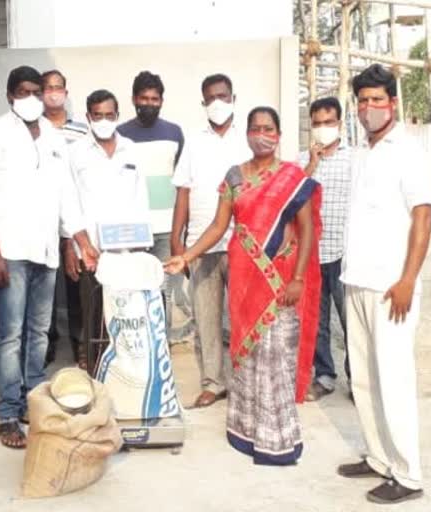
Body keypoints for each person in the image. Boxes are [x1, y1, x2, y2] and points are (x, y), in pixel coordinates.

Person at [166, 107, 321, 466]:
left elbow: (307, 229)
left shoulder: (291, 176)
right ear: (247, 134)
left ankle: (277, 439)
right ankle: (245, 431)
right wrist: (186, 257)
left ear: (278, 134)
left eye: (268, 128)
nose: (261, 134)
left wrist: (297, 277)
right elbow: (219, 227)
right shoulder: (234, 177)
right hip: (244, 279)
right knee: (247, 355)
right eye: (255, 128)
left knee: (275, 357)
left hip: (278, 278)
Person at [0, 66, 98, 449]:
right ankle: (8, 412)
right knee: (10, 334)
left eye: (36, 91)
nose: (31, 98)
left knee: (39, 332)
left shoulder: (54, 138)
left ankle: (31, 399)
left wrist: (80, 241)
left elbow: (66, 196)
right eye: (22, 92)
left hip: (45, 250)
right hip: (10, 250)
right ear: (10, 95)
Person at [337, 64, 431, 505]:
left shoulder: (408, 150)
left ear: (392, 103)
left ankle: (408, 474)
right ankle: (378, 458)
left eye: (378, 99)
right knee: (364, 379)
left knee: (393, 380)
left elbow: (423, 216)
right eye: (363, 100)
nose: (369, 107)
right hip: (356, 279)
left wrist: (408, 279)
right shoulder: (363, 151)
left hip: (390, 287)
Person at [171, 73, 251, 408]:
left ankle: (245, 382)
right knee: (206, 319)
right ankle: (213, 382)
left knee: (243, 317)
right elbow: (183, 193)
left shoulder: (247, 141)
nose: (217, 103)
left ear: (234, 97)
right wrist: (179, 242)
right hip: (201, 244)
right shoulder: (195, 141)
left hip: (241, 245)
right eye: (210, 98)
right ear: (203, 103)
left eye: (222, 96)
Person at [68, 89, 149, 369]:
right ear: (88, 117)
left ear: (117, 116)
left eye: (109, 115)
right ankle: (93, 369)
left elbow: (141, 198)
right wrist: (78, 244)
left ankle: (123, 373)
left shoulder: (131, 149)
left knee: (125, 315)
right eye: (98, 115)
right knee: (93, 316)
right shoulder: (76, 152)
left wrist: (141, 244)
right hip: (92, 251)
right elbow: (69, 201)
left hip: (128, 249)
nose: (104, 120)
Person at [117, 71, 187, 339]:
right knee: (133, 287)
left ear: (162, 101)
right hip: (132, 229)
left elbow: (182, 182)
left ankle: (161, 344)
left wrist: (181, 229)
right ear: (134, 99)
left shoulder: (174, 133)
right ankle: (136, 343)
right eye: (144, 98)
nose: (149, 103)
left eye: (154, 99)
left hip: (166, 227)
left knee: (162, 289)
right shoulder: (121, 134)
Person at [298, 96, 352, 402]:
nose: (323, 129)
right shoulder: (301, 160)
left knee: (350, 323)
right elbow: (293, 197)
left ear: (340, 124)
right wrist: (313, 163)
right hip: (312, 254)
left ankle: (357, 380)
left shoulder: (354, 159)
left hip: (344, 255)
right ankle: (324, 376)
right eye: (317, 124)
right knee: (316, 322)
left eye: (329, 123)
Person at [40, 69, 89, 365]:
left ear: (66, 93)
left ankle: (80, 342)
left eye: (59, 87)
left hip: (74, 218)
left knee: (75, 282)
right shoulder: (33, 128)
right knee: (45, 285)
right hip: (44, 217)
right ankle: (45, 341)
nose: (54, 93)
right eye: (48, 88)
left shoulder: (82, 131)